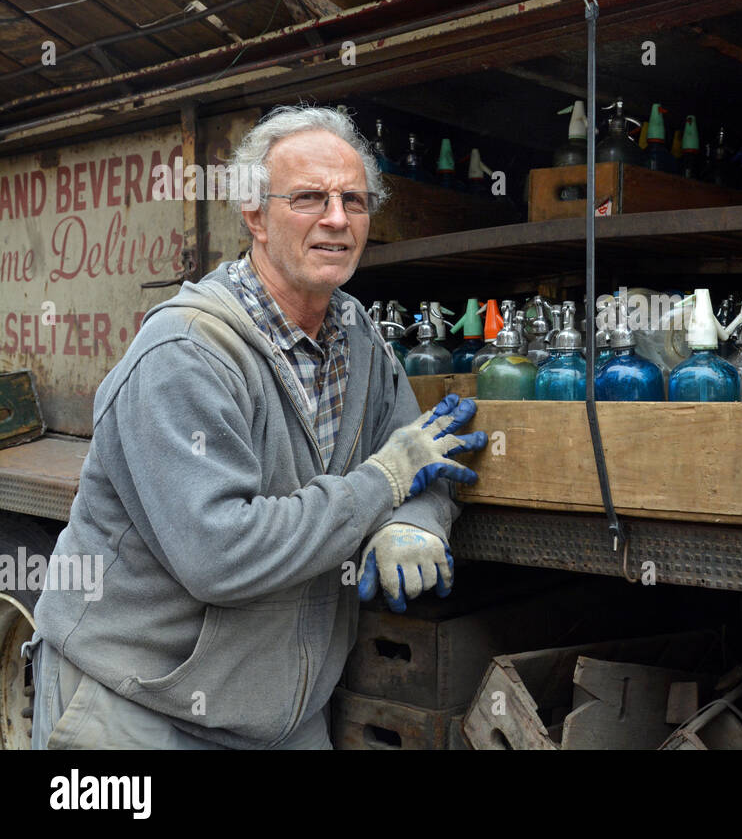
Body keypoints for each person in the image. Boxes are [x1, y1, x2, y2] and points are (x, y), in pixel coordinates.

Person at [25, 105, 485, 749]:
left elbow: (425, 458)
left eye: (353, 200)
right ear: (253, 216)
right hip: (138, 709)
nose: (336, 218)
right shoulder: (185, 351)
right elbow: (221, 553)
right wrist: (381, 487)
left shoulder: (359, 339)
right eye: (308, 198)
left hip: (282, 719)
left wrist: (414, 520)